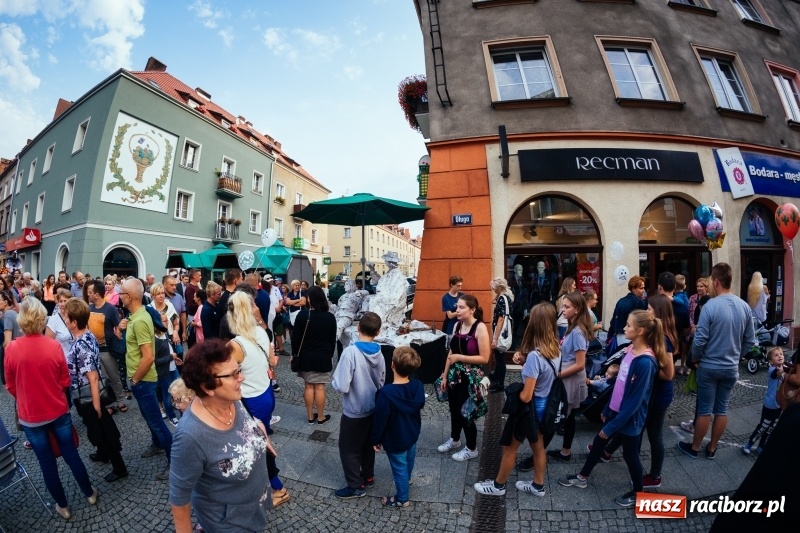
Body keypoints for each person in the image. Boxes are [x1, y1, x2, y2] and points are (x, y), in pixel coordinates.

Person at [3, 297, 98, 520]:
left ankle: (63, 506)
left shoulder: (13, 348)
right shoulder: (53, 345)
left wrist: (26, 396)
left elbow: (10, 385)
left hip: (30, 416)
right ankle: (89, 493)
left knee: (46, 463)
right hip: (57, 410)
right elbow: (65, 381)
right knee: (71, 453)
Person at [559, 310, 661, 507]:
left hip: (629, 418)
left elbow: (635, 401)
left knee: (631, 456)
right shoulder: (630, 350)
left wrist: (612, 426)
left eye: (629, 325)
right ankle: (582, 477)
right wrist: (607, 408)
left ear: (640, 331)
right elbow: (618, 385)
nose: (624, 328)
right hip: (616, 411)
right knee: (598, 443)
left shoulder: (646, 362)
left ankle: (638, 492)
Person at [170, 339, 273, 533]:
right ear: (208, 387)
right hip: (228, 523)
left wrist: (260, 434)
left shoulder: (232, 400)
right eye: (234, 374)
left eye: (239, 369)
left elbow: (248, 423)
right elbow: (179, 499)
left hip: (253, 506)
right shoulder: (190, 437)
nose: (241, 378)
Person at [474, 302, 561, 498]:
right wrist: (525, 361)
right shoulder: (555, 349)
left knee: (509, 448)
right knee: (538, 447)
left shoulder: (535, 358)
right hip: (544, 407)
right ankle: (538, 485)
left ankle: (498, 485)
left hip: (528, 411)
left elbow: (526, 395)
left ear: (534, 325)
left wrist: (513, 392)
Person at [678, 262, 755, 460]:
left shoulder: (710, 306)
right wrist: (737, 357)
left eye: (712, 281)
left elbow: (700, 339)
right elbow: (749, 341)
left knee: (704, 410)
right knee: (722, 409)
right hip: (730, 367)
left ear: (716, 281)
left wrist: (694, 359)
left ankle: (694, 447)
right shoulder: (744, 306)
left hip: (709, 365)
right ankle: (712, 449)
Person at [603, 294, 676, 489]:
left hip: (658, 395)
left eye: (649, 308)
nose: (646, 310)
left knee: (654, 435)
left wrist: (642, 369)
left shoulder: (664, 339)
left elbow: (668, 374)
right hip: (647, 391)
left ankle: (655, 476)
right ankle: (607, 450)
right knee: (633, 424)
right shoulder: (650, 338)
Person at [227, 291, 289, 508]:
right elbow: (272, 361)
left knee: (259, 445)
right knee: (259, 442)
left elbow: (227, 379)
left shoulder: (235, 345)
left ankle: (278, 487)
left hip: (250, 400)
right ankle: (260, 484)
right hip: (265, 394)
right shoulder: (261, 332)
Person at [65, 298, 128, 482]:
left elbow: (92, 377)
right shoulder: (87, 334)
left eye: (67, 317)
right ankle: (102, 453)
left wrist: (97, 405)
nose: (65, 320)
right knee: (99, 428)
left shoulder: (81, 344)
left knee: (104, 429)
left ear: (74, 322)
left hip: (89, 396)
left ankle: (119, 467)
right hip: (87, 394)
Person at [119, 278, 172, 480]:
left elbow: (148, 357)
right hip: (141, 380)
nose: (120, 296)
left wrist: (134, 380)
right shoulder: (135, 316)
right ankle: (157, 445)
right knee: (150, 417)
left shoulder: (140, 320)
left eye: (122, 293)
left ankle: (174, 460)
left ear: (130, 296)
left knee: (156, 421)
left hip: (143, 380)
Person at [331, 311, 386, 499]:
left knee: (348, 449)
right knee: (367, 445)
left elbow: (341, 385)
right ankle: (368, 476)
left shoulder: (350, 352)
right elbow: (381, 382)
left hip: (354, 411)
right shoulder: (380, 352)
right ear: (378, 332)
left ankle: (355, 485)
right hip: (372, 409)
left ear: (358, 327)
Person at [437, 294, 491, 462]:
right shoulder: (457, 326)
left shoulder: (480, 327)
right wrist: (445, 376)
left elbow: (485, 358)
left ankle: (472, 448)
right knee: (454, 408)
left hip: (471, 379)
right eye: (457, 307)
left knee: (466, 413)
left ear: (472, 310)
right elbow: (451, 353)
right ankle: (454, 439)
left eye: (461, 307)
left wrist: (461, 358)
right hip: (455, 376)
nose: (457, 310)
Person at [371, 346, 425, 508]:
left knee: (399, 468)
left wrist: (375, 439)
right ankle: (407, 480)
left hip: (395, 439)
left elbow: (380, 420)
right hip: (412, 433)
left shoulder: (386, 394)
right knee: (409, 460)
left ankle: (402, 498)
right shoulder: (417, 385)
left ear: (392, 365)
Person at [544, 291, 591, 463]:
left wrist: (559, 375)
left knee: (560, 415)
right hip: (567, 377)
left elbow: (580, 364)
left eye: (567, 307)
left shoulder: (578, 331)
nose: (563, 309)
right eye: (563, 306)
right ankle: (565, 452)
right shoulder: (573, 327)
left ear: (577, 309)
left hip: (570, 380)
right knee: (568, 418)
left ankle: (545, 452)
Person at [294, 286, 337, 425]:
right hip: (323, 356)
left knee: (308, 386)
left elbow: (296, 338)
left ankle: (310, 416)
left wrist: (294, 354)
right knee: (320, 387)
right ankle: (321, 417)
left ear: (310, 299)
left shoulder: (302, 315)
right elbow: (332, 340)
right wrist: (330, 355)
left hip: (306, 356)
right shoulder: (330, 317)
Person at [86, 279, 127, 414]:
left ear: (96, 294)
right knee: (102, 379)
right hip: (94, 350)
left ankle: (120, 400)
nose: (88, 294)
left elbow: (118, 327)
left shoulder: (110, 309)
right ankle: (108, 402)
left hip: (108, 350)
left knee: (114, 376)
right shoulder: (89, 309)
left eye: (90, 292)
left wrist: (117, 342)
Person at [149, 283, 182, 426]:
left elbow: (176, 322)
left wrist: (175, 331)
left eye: (163, 293)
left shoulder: (169, 305)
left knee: (176, 383)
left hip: (169, 340)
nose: (162, 295)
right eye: (158, 293)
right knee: (163, 386)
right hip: (158, 343)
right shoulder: (150, 309)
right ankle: (164, 409)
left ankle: (179, 411)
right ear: (153, 295)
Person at [743, 347, 784, 455]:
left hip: (779, 405)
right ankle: (750, 443)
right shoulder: (772, 369)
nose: (780, 356)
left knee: (771, 428)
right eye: (776, 355)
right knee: (763, 426)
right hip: (770, 405)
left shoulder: (782, 368)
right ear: (770, 361)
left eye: (781, 354)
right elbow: (778, 373)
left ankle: (761, 445)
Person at [607, 276, 647, 346]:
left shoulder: (621, 300)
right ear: (633, 289)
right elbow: (642, 323)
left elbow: (613, 321)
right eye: (641, 288)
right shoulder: (639, 302)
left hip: (618, 337)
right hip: (631, 338)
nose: (643, 290)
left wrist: (609, 337)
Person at [489, 277, 513, 392]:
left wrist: (495, 338)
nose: (493, 290)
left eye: (494, 288)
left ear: (499, 287)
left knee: (500, 358)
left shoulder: (503, 299)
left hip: (500, 332)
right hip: (502, 331)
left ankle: (500, 384)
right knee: (499, 356)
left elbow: (501, 319)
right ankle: (497, 377)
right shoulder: (506, 297)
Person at [684, 277, 710, 375]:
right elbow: (689, 313)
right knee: (692, 345)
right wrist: (692, 325)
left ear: (706, 287)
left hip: (704, 327)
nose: (699, 288)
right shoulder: (692, 298)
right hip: (693, 327)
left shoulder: (710, 299)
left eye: (701, 286)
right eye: (697, 286)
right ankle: (691, 365)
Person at [46, 288, 75, 361]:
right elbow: (48, 343)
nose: (63, 304)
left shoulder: (76, 317)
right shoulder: (53, 320)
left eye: (65, 301)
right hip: (61, 360)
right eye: (60, 301)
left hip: (76, 360)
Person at [441, 275, 464, 339]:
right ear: (451, 285)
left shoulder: (462, 295)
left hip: (462, 327)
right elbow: (450, 315)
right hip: (451, 327)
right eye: (458, 286)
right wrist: (462, 311)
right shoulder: (446, 298)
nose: (460, 288)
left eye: (461, 285)